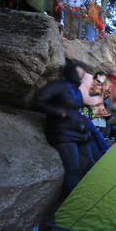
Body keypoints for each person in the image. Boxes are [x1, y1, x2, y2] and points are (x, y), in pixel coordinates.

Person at [33, 62, 95, 193]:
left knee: (90, 164)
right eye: (79, 72)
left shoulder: (77, 91)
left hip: (80, 133)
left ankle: (89, 196)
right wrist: (58, 111)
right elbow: (38, 101)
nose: (81, 76)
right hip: (63, 134)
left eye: (82, 74)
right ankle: (74, 204)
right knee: (73, 170)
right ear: (71, 71)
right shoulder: (58, 86)